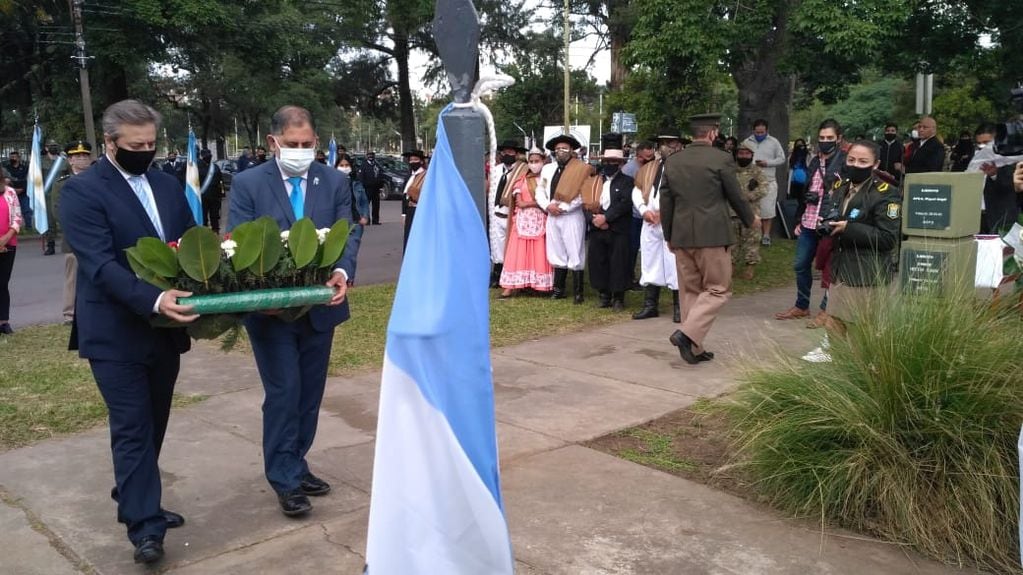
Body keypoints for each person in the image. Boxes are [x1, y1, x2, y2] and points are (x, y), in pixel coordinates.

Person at [59, 99, 199, 565]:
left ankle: (138, 495)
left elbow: (188, 242)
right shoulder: (82, 192)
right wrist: (152, 298)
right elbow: (98, 264)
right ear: (110, 143)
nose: (145, 151)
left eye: (151, 144)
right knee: (133, 425)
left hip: (164, 330)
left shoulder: (166, 184)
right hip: (114, 331)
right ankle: (145, 527)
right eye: (135, 145)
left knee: (154, 421)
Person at [227, 105, 356, 519]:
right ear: (274, 143)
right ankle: (284, 479)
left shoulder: (334, 180)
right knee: (284, 392)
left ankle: (296, 464)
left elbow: (348, 232)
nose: (301, 151)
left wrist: (340, 272)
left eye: (307, 145)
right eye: (292, 145)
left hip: (320, 308)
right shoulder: (248, 183)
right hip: (271, 313)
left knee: (309, 394)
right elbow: (237, 242)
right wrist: (263, 293)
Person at [662, 113, 756, 364]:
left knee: (691, 291)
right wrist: (750, 219)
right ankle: (687, 335)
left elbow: (666, 200)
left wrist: (668, 234)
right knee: (718, 289)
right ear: (713, 133)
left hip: (682, 234)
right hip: (712, 234)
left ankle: (694, 347)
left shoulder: (673, 160)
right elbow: (735, 195)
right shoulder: (721, 158)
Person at [817, 140, 901, 340]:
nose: (855, 165)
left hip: (866, 276)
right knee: (833, 330)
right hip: (839, 273)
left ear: (876, 164)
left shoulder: (886, 193)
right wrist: (827, 222)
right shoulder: (841, 186)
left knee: (861, 336)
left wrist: (848, 228)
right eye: (851, 159)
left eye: (863, 161)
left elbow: (888, 238)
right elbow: (835, 213)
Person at [776, 119, 846, 324]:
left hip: (828, 223)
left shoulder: (844, 161)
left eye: (829, 138)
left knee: (828, 270)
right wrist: (800, 216)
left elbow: (843, 192)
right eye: (822, 138)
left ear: (838, 138)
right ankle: (802, 305)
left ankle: (826, 310)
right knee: (800, 265)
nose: (825, 141)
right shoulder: (814, 160)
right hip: (808, 220)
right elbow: (805, 191)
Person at [631, 130, 683, 322]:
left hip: (674, 221)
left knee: (675, 263)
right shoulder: (648, 168)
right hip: (650, 221)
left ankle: (680, 307)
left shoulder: (684, 167)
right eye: (665, 143)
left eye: (673, 143)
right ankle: (650, 304)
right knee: (650, 261)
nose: (669, 147)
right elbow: (637, 191)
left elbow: (687, 195)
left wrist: (665, 213)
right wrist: (644, 210)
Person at [536, 133, 592, 303]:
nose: (561, 151)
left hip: (571, 215)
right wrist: (547, 206)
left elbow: (584, 194)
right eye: (558, 148)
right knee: (556, 249)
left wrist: (564, 207)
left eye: (564, 148)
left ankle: (578, 292)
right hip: (552, 213)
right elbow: (540, 190)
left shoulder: (581, 169)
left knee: (574, 250)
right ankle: (558, 288)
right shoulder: (547, 169)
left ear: (571, 150)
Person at [582, 135, 634, 311]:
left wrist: (607, 218)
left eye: (613, 162)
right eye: (607, 161)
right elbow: (585, 203)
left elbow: (624, 203)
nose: (609, 165)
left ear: (619, 164)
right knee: (598, 261)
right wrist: (594, 220)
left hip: (617, 228)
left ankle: (618, 296)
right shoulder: (594, 181)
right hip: (597, 228)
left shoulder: (627, 182)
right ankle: (603, 293)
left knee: (618, 263)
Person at [498, 147, 553, 296]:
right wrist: (530, 203)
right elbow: (518, 202)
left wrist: (531, 204)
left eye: (537, 161)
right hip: (522, 221)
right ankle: (511, 285)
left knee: (539, 251)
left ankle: (537, 284)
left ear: (543, 161)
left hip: (540, 218)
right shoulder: (521, 180)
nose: (534, 164)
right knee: (517, 252)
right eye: (531, 161)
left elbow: (547, 201)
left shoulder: (548, 180)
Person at [52, 140, 94, 324]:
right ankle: (70, 314)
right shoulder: (62, 184)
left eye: (85, 156)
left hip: (98, 236)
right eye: (77, 156)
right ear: (70, 161)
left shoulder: (99, 180)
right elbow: (57, 211)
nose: (82, 159)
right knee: (73, 276)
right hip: (74, 238)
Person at [489, 140, 528, 287]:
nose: (507, 155)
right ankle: (497, 274)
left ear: (517, 154)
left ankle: (512, 275)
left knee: (512, 247)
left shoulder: (522, 171)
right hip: (496, 213)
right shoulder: (497, 169)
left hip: (513, 214)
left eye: (511, 152)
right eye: (505, 152)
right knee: (497, 245)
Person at [743, 119, 787, 246]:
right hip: (751, 180)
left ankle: (766, 235)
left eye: (762, 132)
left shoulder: (774, 142)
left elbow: (782, 159)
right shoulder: (747, 142)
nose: (759, 134)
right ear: (753, 131)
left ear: (767, 131)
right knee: (751, 209)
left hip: (768, 180)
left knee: (767, 210)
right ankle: (752, 234)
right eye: (757, 132)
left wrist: (767, 163)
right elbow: (741, 157)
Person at [971, 123, 1021, 234]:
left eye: (986, 143)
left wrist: (994, 175)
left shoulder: (1010, 157)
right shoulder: (974, 157)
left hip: (1000, 217)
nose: (983, 147)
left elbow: (1011, 185)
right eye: (979, 143)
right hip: (977, 216)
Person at [622, 141, 655, 290]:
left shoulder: (652, 167)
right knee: (632, 248)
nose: (648, 159)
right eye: (646, 156)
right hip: (634, 216)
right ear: (638, 155)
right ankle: (629, 278)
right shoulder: (629, 169)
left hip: (649, 215)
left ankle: (648, 277)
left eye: (651, 155)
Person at [733, 142, 768, 280]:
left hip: (751, 212)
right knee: (732, 241)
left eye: (747, 154)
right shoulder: (730, 170)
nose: (743, 156)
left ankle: (750, 267)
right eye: (741, 153)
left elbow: (765, 188)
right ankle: (731, 266)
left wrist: (749, 196)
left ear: (752, 155)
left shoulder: (757, 171)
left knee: (752, 240)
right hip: (732, 212)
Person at [336, 153, 369, 284]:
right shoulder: (332, 183)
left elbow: (364, 202)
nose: (344, 168)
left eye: (346, 165)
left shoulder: (357, 183)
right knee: (338, 252)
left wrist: (365, 216)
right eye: (341, 165)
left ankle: (350, 280)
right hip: (338, 223)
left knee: (351, 253)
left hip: (355, 223)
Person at [0, 176, 22, 334]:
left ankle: (3, 322)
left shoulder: (10, 192)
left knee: (2, 283)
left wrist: (5, 239)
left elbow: (17, 218)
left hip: (8, 243)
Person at [401, 150, 427, 252]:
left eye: (415, 159)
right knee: (408, 237)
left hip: (419, 210)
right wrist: (403, 214)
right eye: (411, 160)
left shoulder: (426, 175)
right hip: (410, 210)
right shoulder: (409, 176)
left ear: (421, 161)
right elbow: (404, 196)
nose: (412, 162)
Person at [198, 148, 224, 232]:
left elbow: (220, 181)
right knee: (203, 218)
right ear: (202, 156)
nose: (208, 157)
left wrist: (221, 194)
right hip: (202, 197)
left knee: (215, 217)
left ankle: (216, 233)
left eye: (209, 156)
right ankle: (205, 233)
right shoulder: (197, 168)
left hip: (215, 197)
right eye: (206, 156)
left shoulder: (215, 167)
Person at [5, 151, 30, 230]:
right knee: (11, 212)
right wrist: (14, 189)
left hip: (23, 192)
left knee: (27, 210)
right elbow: (6, 181)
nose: (13, 159)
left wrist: (22, 189)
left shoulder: (25, 168)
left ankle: (29, 228)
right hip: (11, 194)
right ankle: (12, 228)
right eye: (11, 157)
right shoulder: (6, 168)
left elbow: (28, 180)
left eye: (14, 157)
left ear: (19, 158)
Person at [358, 151, 385, 225]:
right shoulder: (363, 165)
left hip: (376, 189)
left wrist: (381, 186)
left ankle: (375, 220)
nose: (370, 157)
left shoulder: (376, 165)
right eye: (369, 155)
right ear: (366, 156)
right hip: (367, 189)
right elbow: (361, 178)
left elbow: (381, 175)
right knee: (366, 205)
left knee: (376, 205)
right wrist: (363, 186)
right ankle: (367, 220)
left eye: (372, 155)